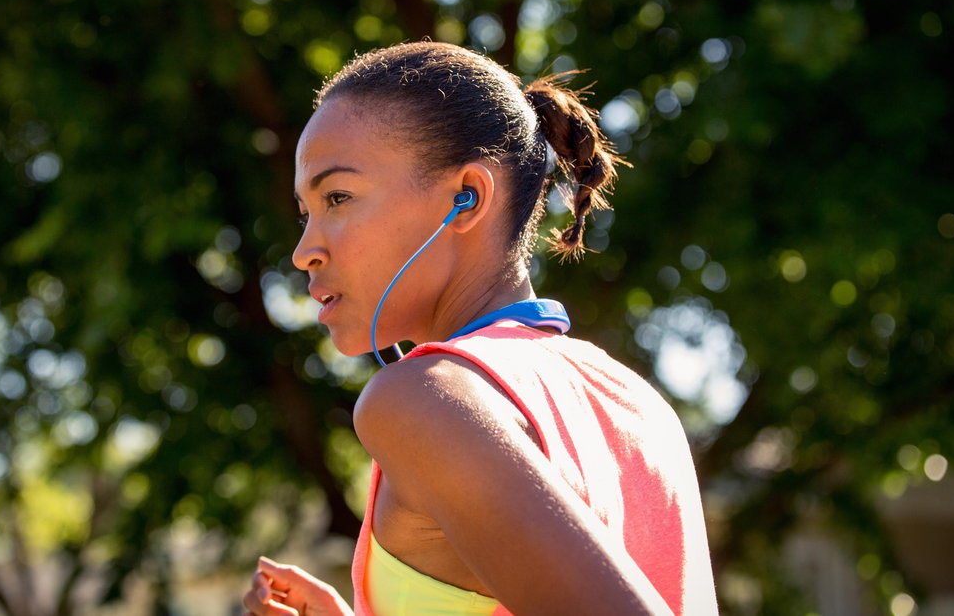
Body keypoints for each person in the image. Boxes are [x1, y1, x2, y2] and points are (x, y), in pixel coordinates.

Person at [242, 41, 717, 616]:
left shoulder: (421, 399)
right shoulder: (637, 402)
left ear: (467, 198)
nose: (303, 252)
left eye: (338, 197)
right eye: (305, 212)